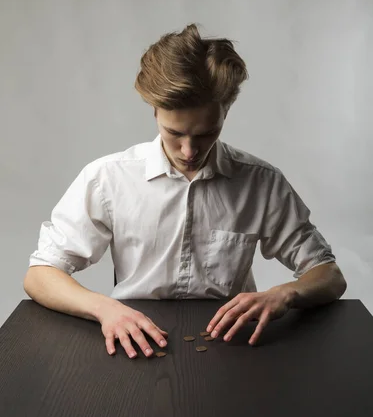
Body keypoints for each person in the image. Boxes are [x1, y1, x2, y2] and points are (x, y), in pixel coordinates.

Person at [23, 24, 347, 359]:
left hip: (233, 346)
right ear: (154, 111)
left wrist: (287, 293)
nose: (189, 150)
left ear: (226, 111)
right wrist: (104, 309)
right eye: (174, 132)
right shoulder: (107, 178)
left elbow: (329, 275)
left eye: (207, 133)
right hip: (134, 340)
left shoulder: (261, 182)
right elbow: (41, 275)